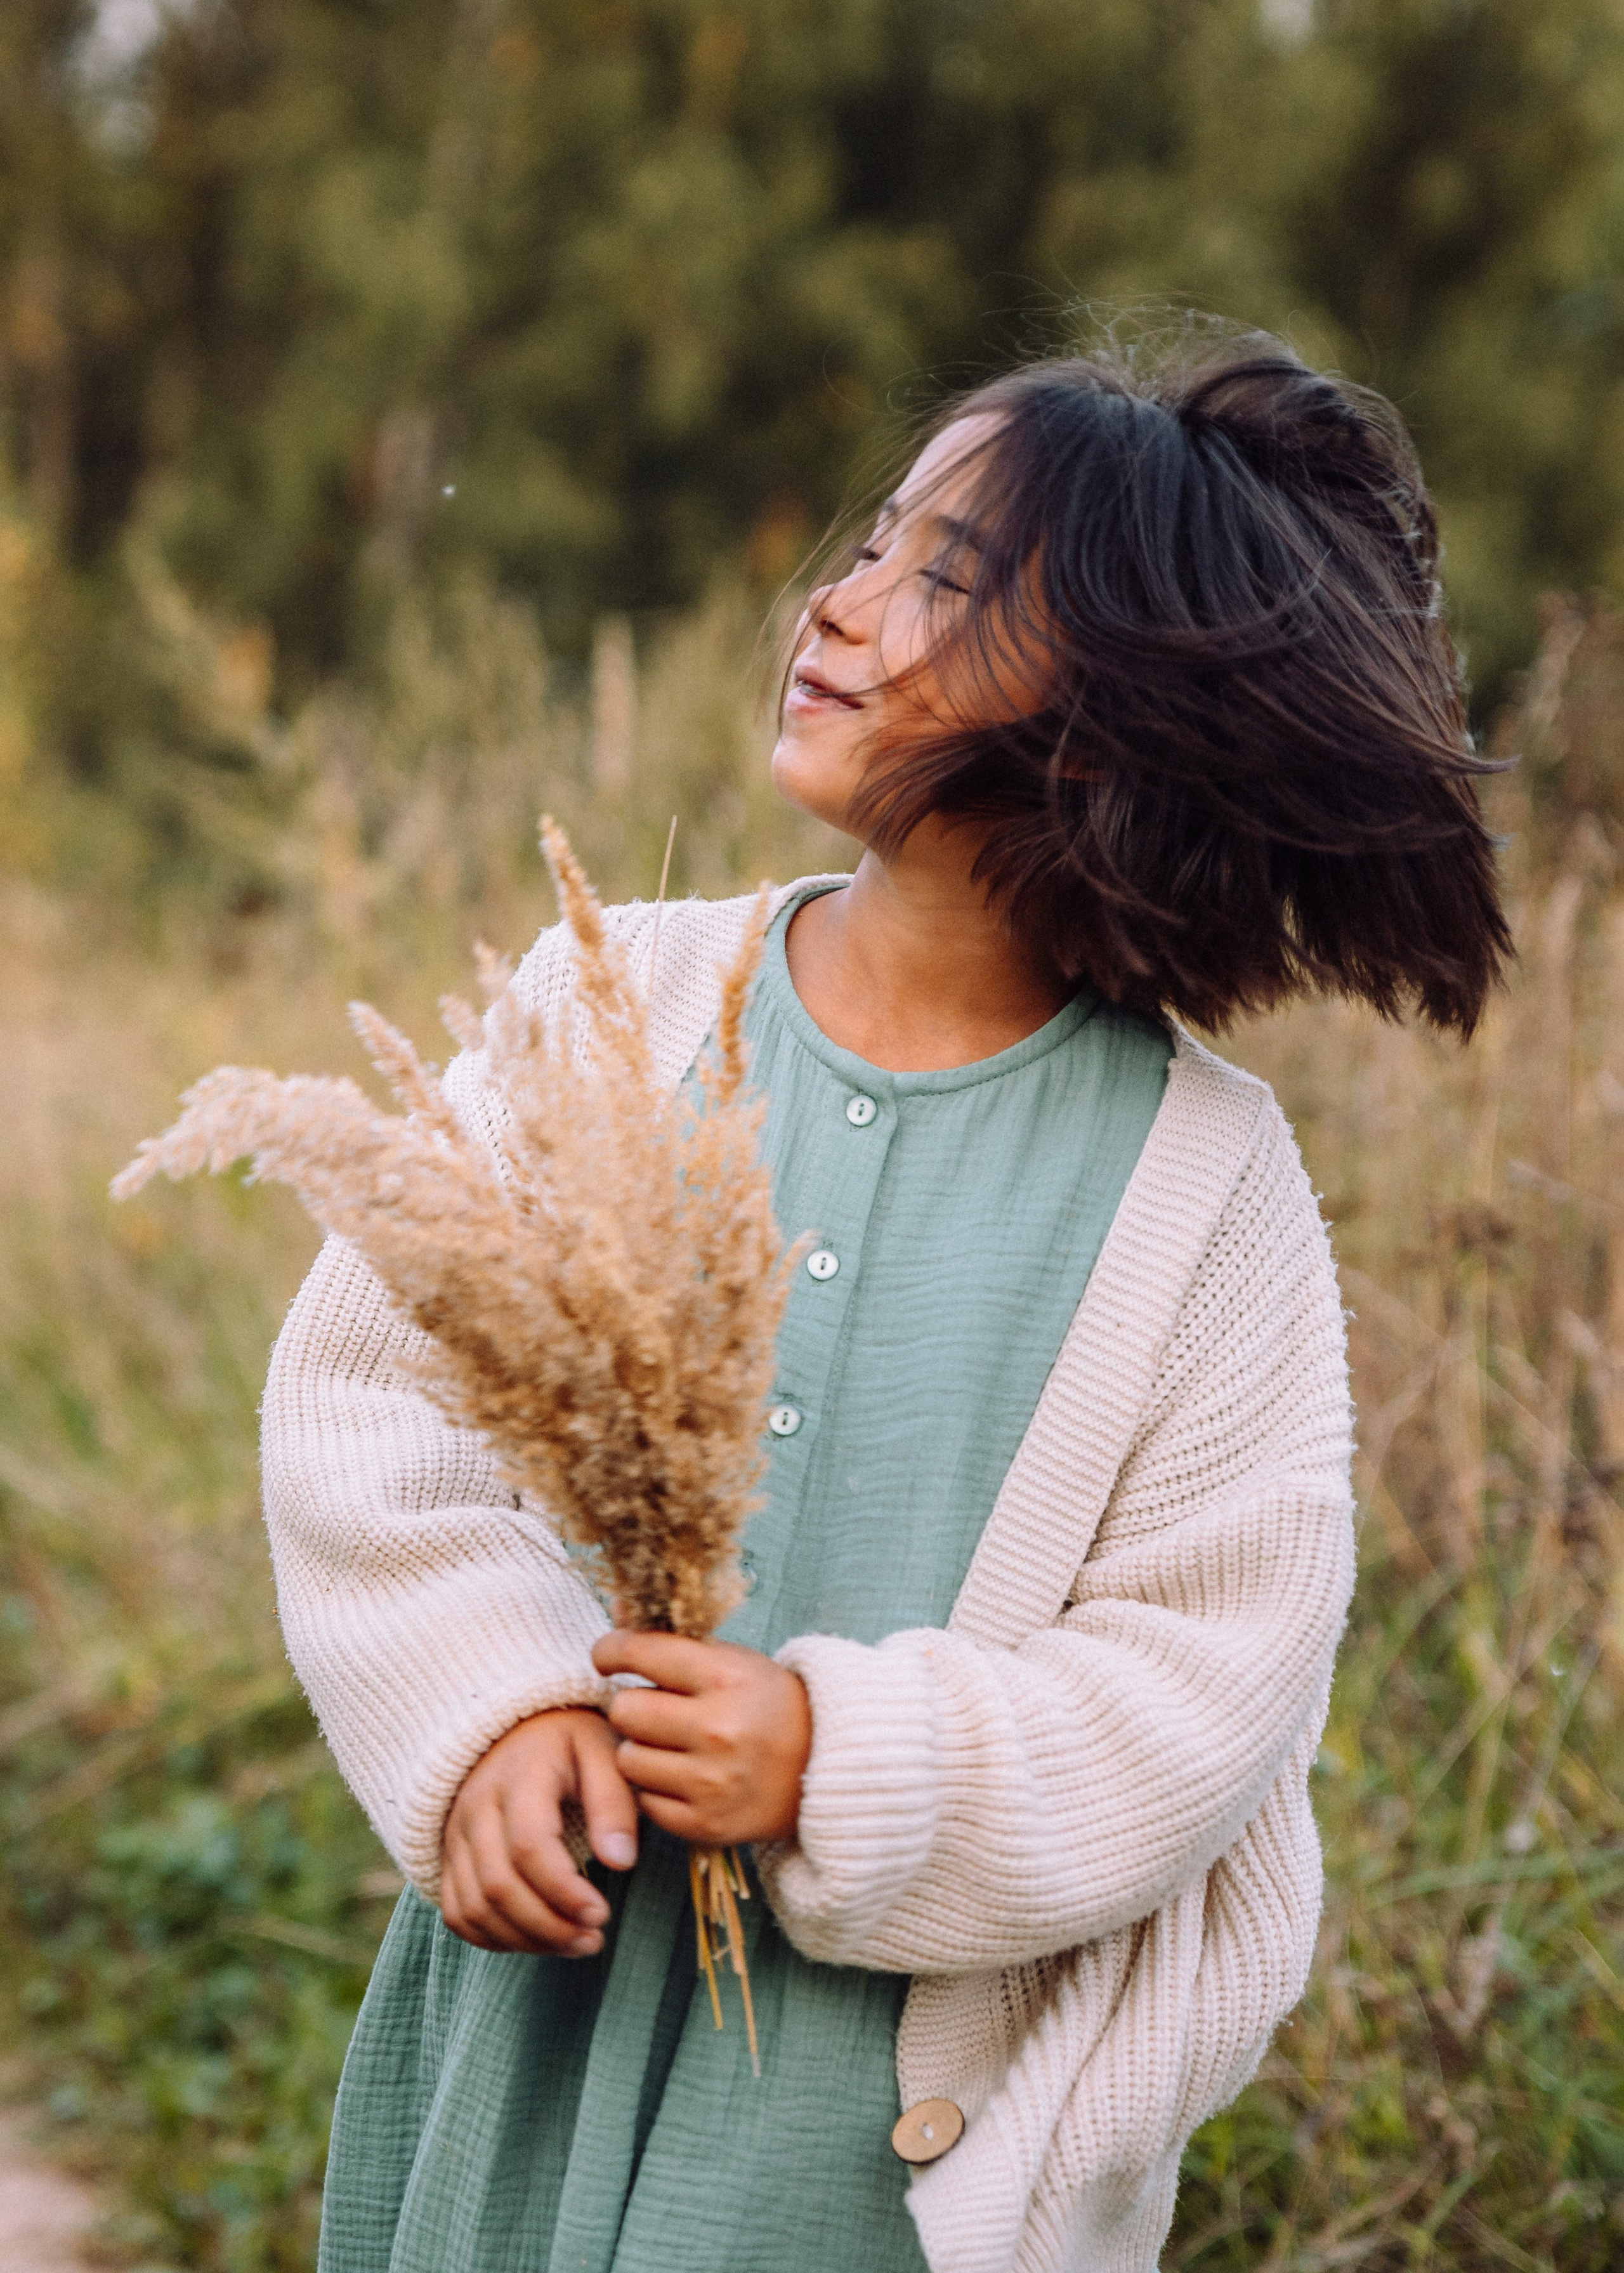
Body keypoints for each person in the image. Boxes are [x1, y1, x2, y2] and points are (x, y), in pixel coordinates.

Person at [261, 328, 1510, 2273]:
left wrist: (837, 1766)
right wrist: (493, 1712)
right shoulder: (628, 1002)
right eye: (874, 543)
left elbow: (1206, 1687)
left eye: (945, 577)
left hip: (887, 2158)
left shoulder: (1206, 1190)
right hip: (543, 2027)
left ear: (1110, 718)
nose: (840, 601)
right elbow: (380, 1397)